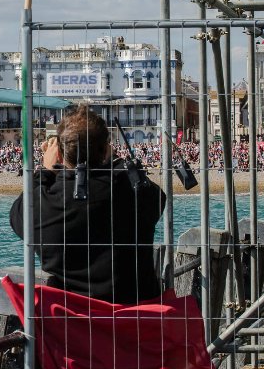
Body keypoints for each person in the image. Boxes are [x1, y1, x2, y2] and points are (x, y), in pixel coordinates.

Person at [10, 104, 165, 304]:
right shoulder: (138, 192)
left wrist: (46, 171)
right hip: (136, 314)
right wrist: (113, 160)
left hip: (74, 316)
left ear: (60, 154)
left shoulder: (44, 205)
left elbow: (18, 215)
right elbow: (158, 198)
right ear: (105, 148)